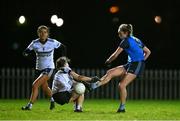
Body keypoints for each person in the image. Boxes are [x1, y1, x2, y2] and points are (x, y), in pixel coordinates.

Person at [91, 24, 151, 112]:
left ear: (126, 33)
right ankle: (93, 86)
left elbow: (115, 55)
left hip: (137, 64)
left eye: (120, 33)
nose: (119, 35)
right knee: (110, 72)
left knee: (122, 85)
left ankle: (122, 108)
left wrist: (108, 61)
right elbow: (148, 52)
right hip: (131, 63)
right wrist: (142, 60)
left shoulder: (125, 41)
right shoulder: (136, 39)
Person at [22, 25, 66, 110]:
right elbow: (25, 52)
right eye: (41, 32)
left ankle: (29, 106)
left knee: (35, 85)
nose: (43, 34)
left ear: (47, 34)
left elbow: (63, 47)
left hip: (49, 68)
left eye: (45, 32)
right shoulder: (34, 43)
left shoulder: (52, 42)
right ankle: (52, 100)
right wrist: (29, 56)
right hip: (39, 68)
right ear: (38, 33)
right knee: (44, 87)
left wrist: (63, 60)